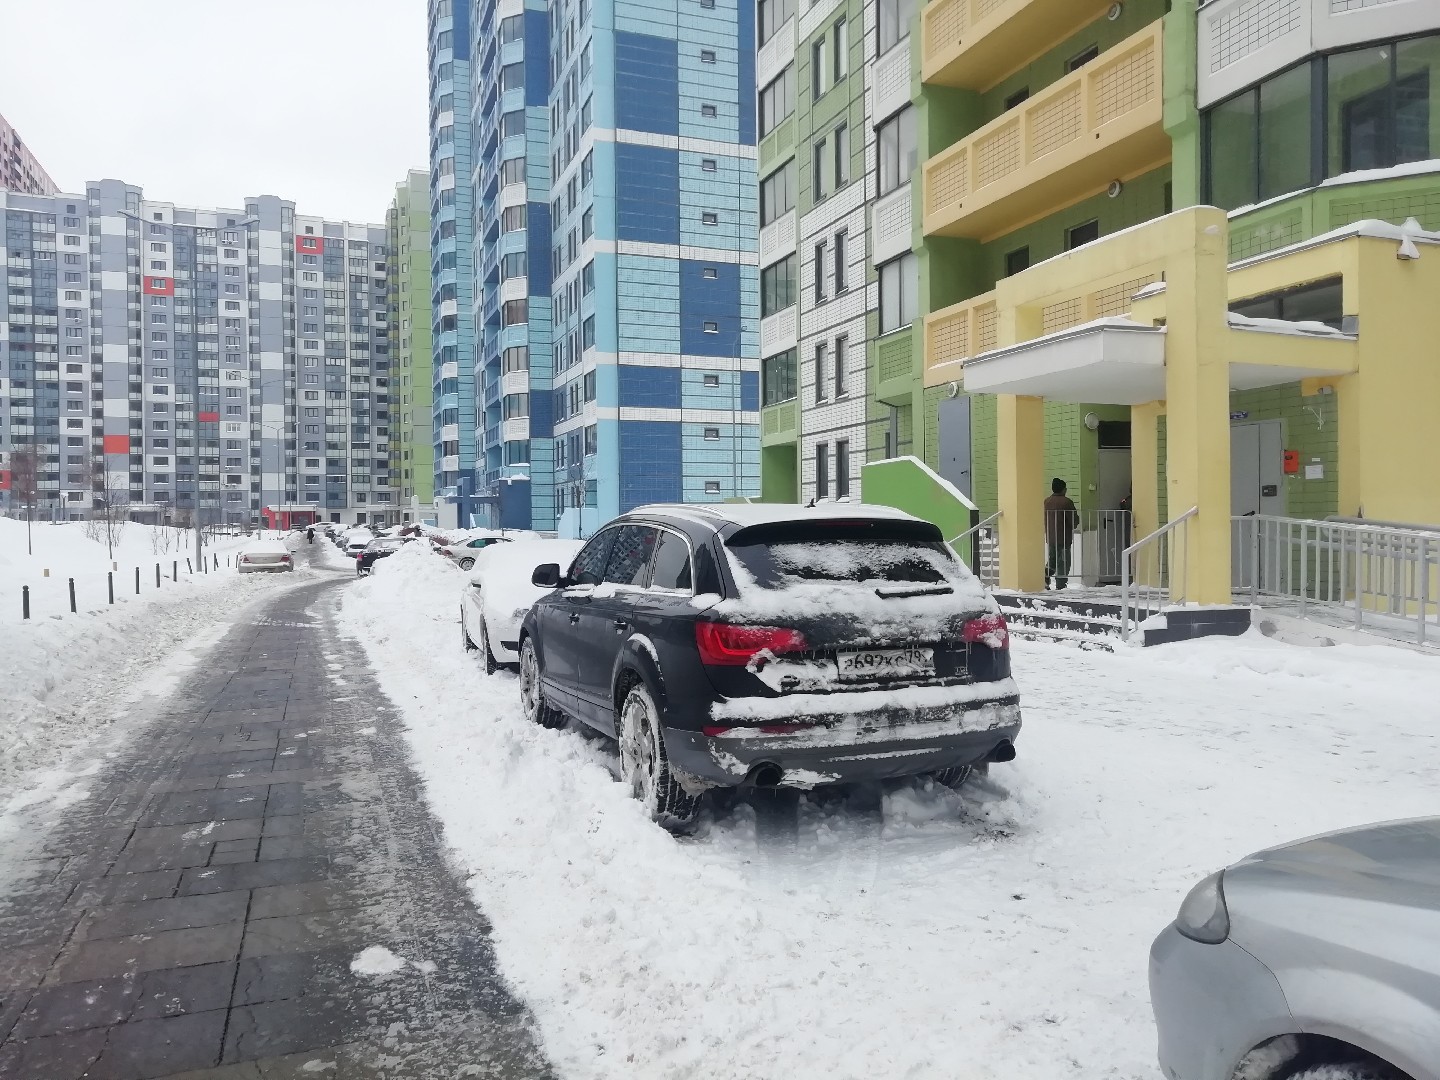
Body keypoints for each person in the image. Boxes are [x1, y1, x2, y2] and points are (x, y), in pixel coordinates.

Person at [1044, 477, 1079, 590]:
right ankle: (1061, 585)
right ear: (1063, 489)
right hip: (1063, 537)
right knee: (1063, 562)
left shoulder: (1047, 501)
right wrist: (1075, 523)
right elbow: (1073, 519)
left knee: (1052, 560)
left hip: (1051, 536)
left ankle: (1044, 578)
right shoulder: (1066, 502)